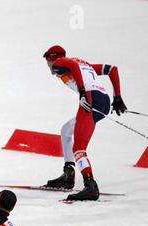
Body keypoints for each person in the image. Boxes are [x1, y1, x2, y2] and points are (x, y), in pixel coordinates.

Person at [42, 45, 128, 201]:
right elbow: (112, 69)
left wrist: (83, 93)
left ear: (50, 57)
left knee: (79, 148)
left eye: (47, 61)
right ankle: (69, 174)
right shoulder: (84, 64)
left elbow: (73, 66)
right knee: (66, 131)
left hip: (90, 99)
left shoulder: (59, 63)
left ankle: (90, 185)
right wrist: (117, 97)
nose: (48, 66)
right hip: (102, 100)